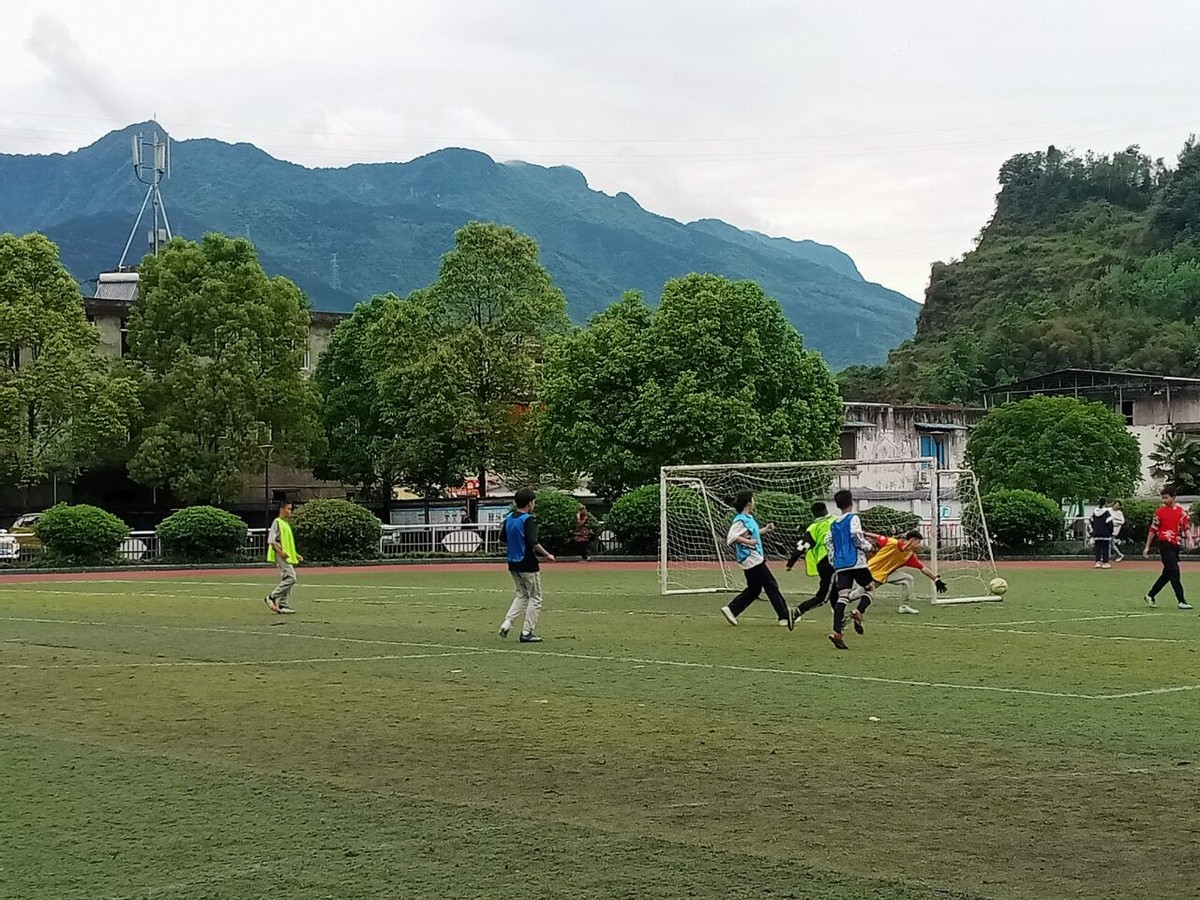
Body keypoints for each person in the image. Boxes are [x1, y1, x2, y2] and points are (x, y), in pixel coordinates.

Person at [719, 490, 794, 629]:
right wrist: (748, 543)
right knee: (771, 585)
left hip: (753, 558)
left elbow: (753, 534)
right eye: (753, 500)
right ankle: (784, 616)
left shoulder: (749, 518)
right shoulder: (740, 519)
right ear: (748, 503)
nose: (754, 502)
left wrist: (765, 529)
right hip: (751, 558)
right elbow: (731, 538)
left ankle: (732, 609)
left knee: (754, 590)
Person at [499, 487, 556, 642]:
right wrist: (547, 554)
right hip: (528, 563)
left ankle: (507, 622)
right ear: (529, 503)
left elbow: (503, 538)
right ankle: (526, 632)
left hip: (512, 563)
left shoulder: (509, 518)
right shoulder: (527, 519)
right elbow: (533, 542)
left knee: (521, 594)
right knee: (535, 597)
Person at [824, 489, 876, 650]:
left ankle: (837, 633)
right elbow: (855, 534)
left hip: (841, 565)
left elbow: (828, 542)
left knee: (842, 597)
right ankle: (859, 611)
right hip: (857, 562)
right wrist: (867, 546)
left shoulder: (834, 523)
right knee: (870, 588)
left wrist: (834, 560)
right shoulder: (853, 518)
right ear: (851, 502)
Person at [851, 530, 947, 614]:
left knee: (908, 579)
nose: (919, 545)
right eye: (918, 542)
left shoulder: (909, 555)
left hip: (886, 575)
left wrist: (935, 578)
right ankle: (838, 603)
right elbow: (878, 537)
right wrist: (864, 533)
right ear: (912, 540)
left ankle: (904, 606)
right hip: (870, 573)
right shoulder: (892, 542)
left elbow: (923, 568)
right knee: (856, 595)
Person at [1143, 486, 1193, 610]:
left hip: (1175, 544)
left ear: (1173, 497)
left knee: (1167, 574)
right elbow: (1153, 530)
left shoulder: (1182, 513)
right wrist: (1147, 546)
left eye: (1166, 498)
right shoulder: (1160, 512)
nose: (1164, 500)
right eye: (1163, 498)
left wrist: (1190, 540)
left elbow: (1186, 528)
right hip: (1164, 544)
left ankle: (1150, 595)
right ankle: (1181, 600)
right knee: (1174, 571)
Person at [787, 501, 836, 621]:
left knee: (836, 589)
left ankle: (839, 619)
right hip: (830, 562)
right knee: (824, 596)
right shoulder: (836, 521)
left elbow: (801, 546)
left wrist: (790, 563)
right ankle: (798, 610)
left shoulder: (813, 528)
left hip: (823, 563)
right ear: (826, 510)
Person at [265, 499, 301, 614]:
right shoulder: (277, 522)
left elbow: (286, 542)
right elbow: (272, 540)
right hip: (281, 556)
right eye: (288, 509)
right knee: (292, 578)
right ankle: (272, 597)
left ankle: (283, 604)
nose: (290, 511)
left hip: (286, 556)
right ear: (281, 509)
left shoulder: (286, 524)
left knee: (288, 579)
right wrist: (280, 552)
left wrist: (295, 554)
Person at [1089, 499, 1115, 569]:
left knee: (1097, 547)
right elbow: (1110, 523)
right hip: (1105, 533)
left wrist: (1094, 530)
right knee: (1105, 548)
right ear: (1105, 503)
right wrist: (1111, 531)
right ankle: (1105, 562)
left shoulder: (1094, 512)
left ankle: (1097, 562)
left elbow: (1091, 521)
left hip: (1096, 533)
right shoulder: (1106, 512)